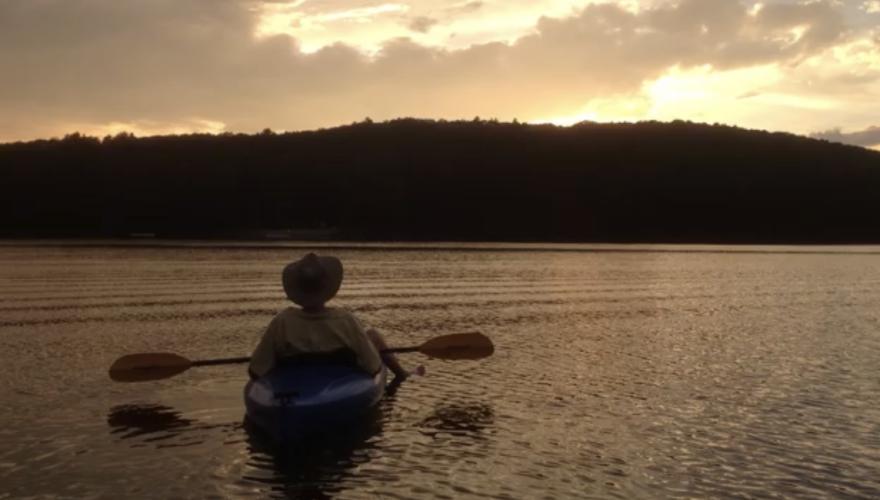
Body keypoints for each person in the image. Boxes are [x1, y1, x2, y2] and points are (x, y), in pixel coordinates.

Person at [248, 252, 419, 381]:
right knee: (373, 335)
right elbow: (373, 367)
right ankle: (402, 374)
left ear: (296, 289)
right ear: (327, 287)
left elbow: (256, 370)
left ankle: (403, 374)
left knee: (371, 335)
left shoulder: (281, 322)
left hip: (295, 384)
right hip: (339, 380)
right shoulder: (345, 320)